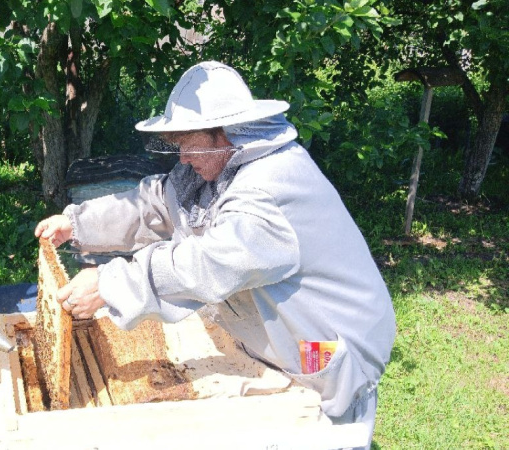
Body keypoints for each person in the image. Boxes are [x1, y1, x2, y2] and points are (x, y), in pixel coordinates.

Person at [35, 61, 396, 449]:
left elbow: (210, 263)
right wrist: (78, 224)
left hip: (326, 347)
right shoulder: (217, 163)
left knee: (324, 429)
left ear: (225, 132)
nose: (181, 157)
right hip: (273, 341)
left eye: (187, 143)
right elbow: (155, 204)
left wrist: (110, 283)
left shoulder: (273, 185)